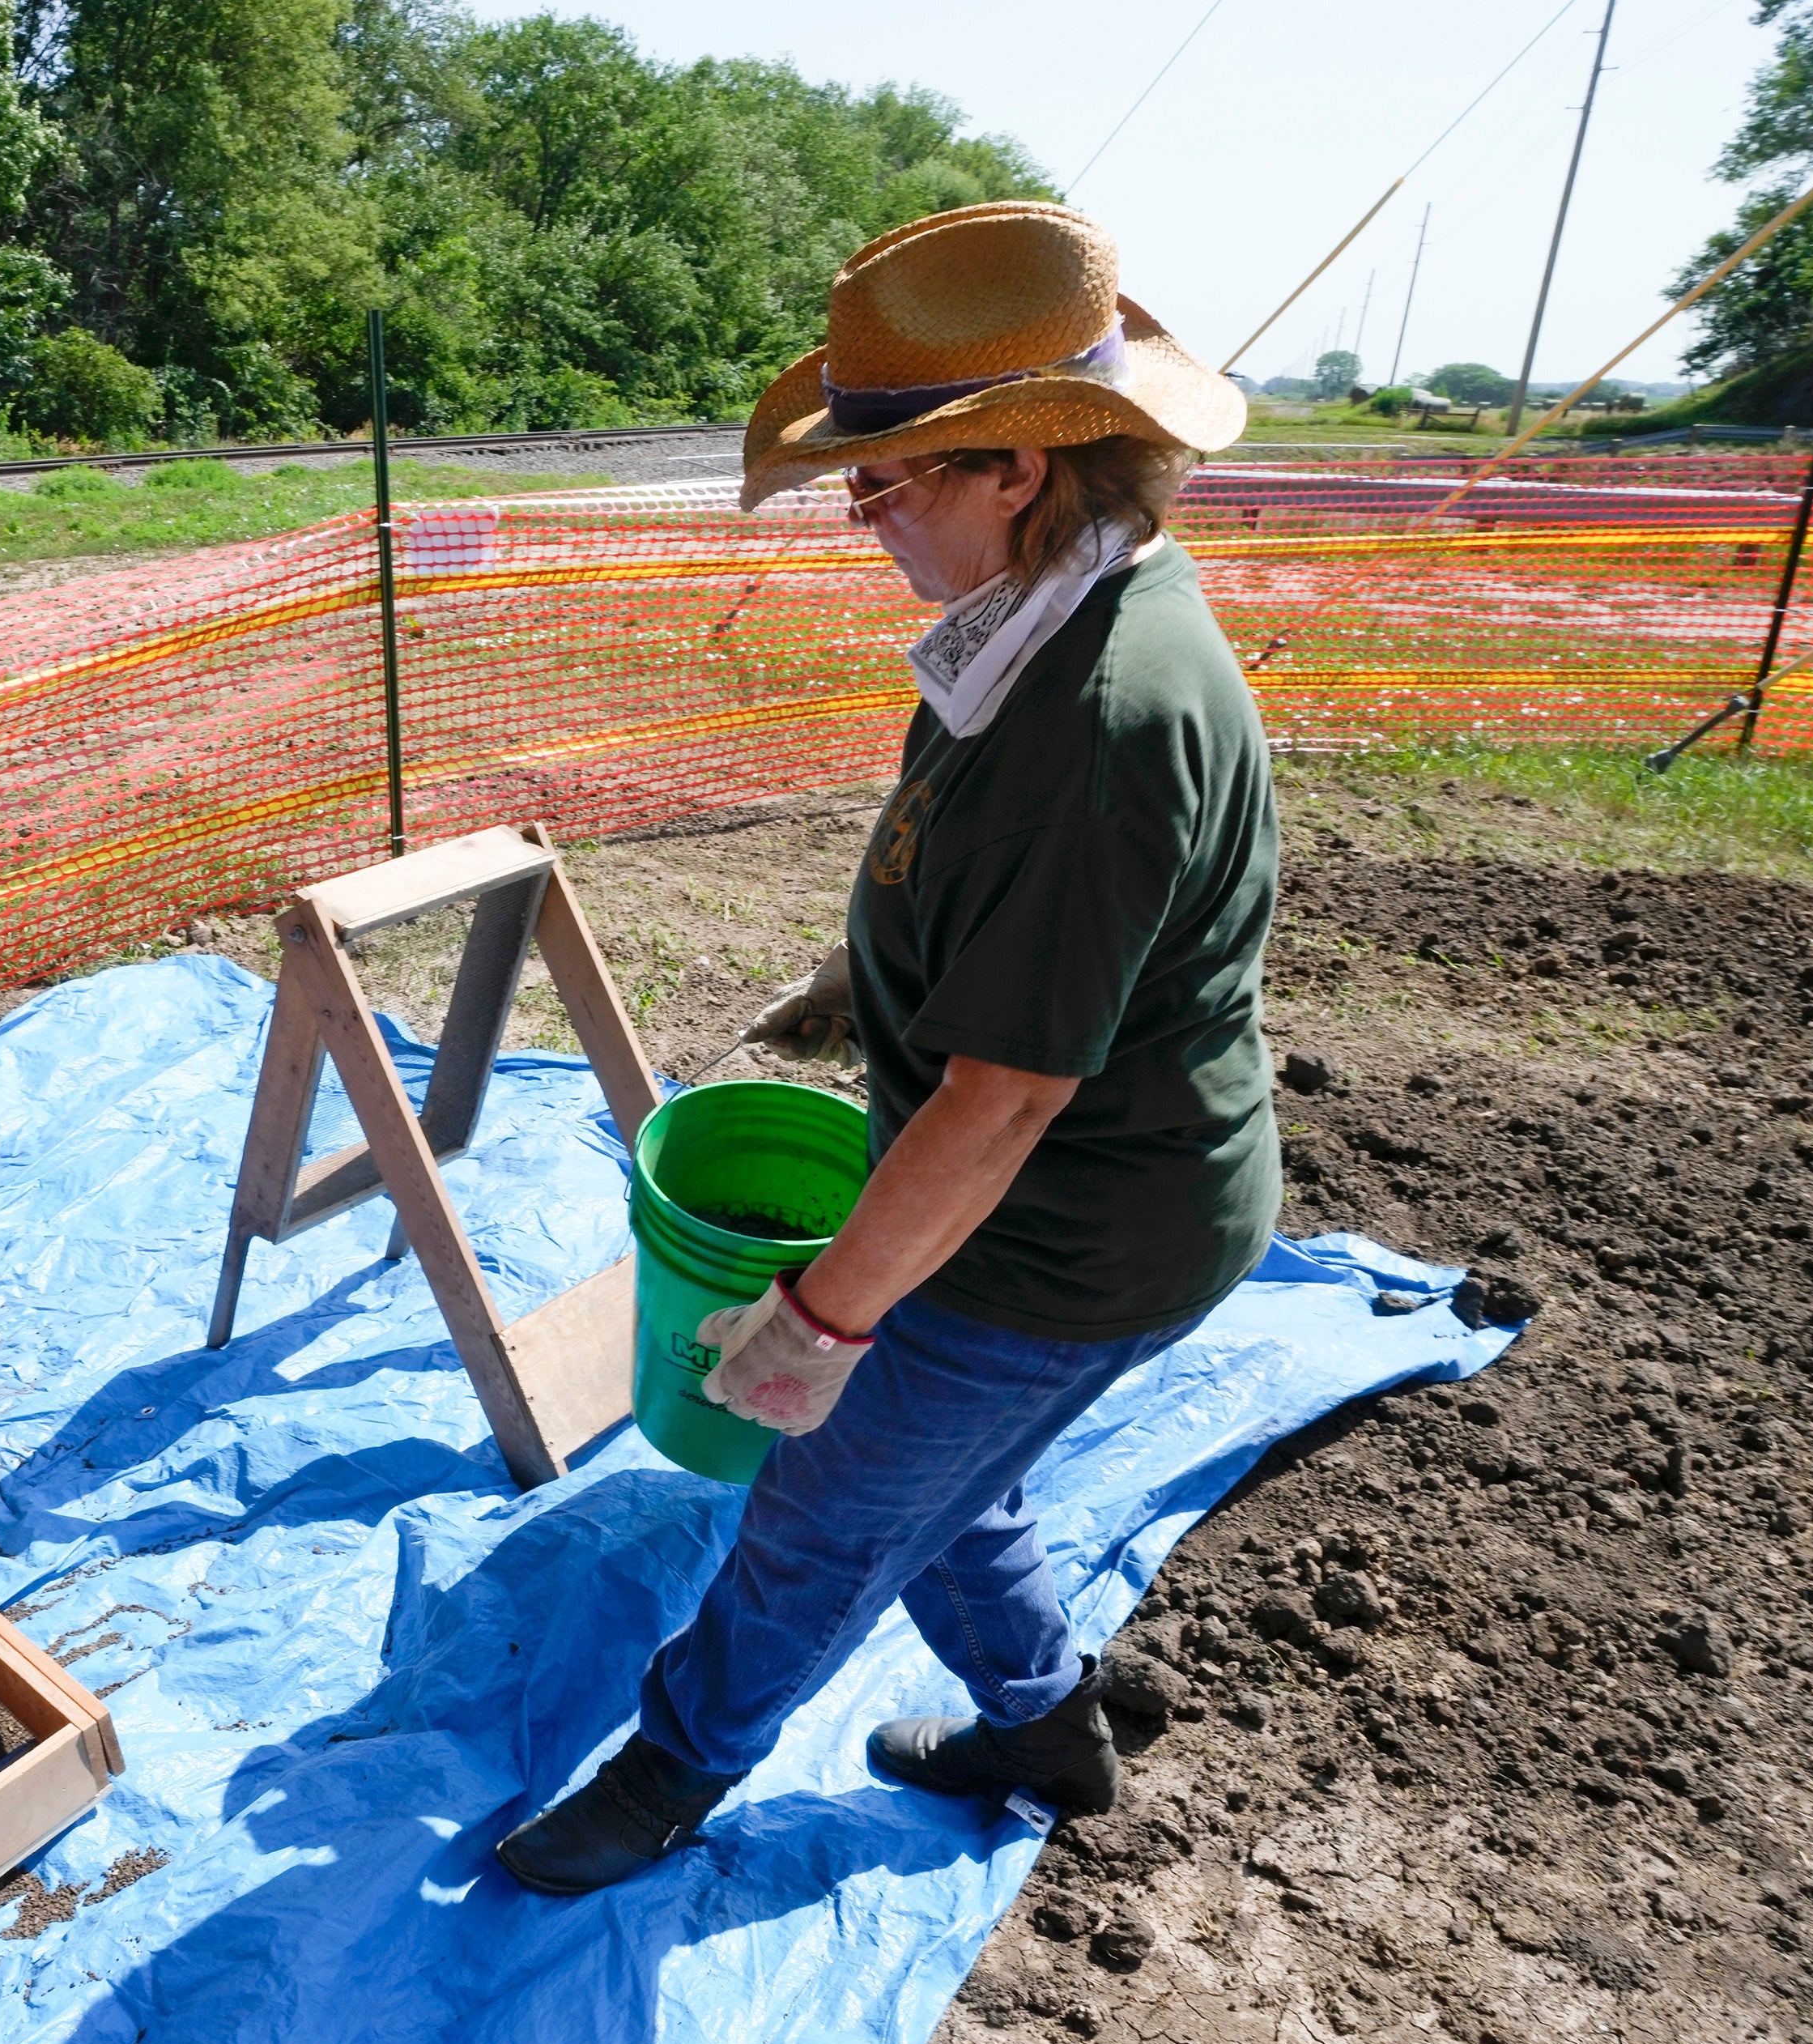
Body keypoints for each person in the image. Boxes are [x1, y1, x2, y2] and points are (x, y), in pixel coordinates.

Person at [496, 201, 1276, 1896]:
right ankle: (1049, 1719)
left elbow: (1002, 1103)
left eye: (892, 478)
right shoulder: (1046, 612)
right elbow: (998, 904)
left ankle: (667, 1776)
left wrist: (817, 1319)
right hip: (1032, 1203)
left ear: (1023, 464)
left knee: (824, 1507)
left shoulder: (1100, 722)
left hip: (1065, 1233)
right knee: (953, 1485)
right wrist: (866, 980)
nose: (864, 516)